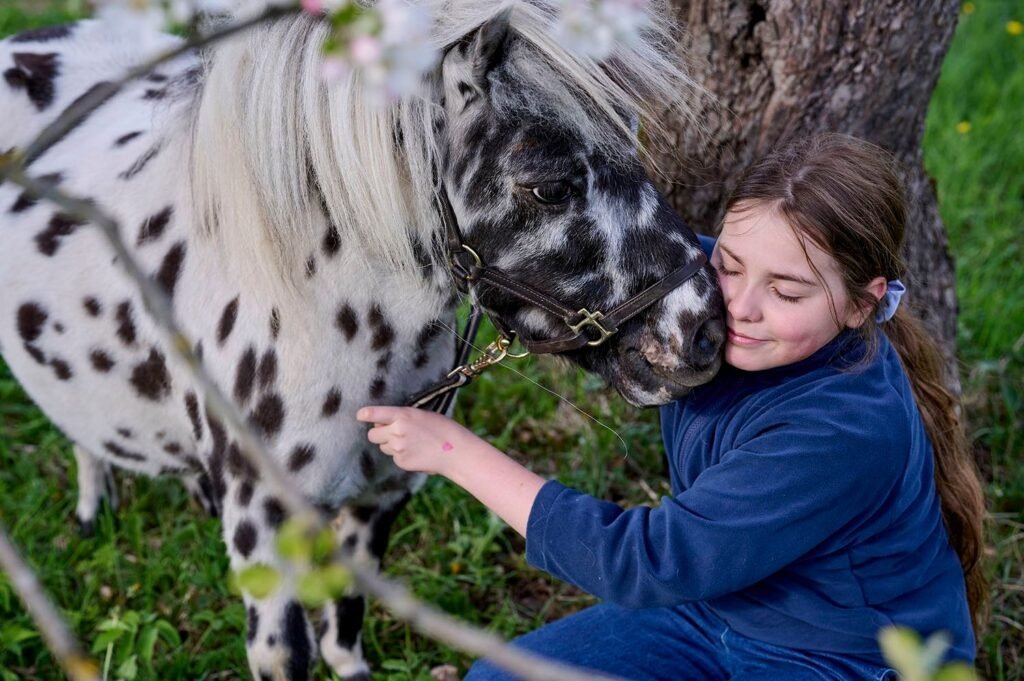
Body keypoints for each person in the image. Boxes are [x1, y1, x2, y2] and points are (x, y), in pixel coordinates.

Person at [356, 134, 987, 680]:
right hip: (721, 604)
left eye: (787, 293)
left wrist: (451, 452)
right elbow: (602, 279)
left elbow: (648, 561)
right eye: (731, 266)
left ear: (859, 305)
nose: (739, 306)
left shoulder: (842, 429)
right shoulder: (703, 295)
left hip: (842, 655)